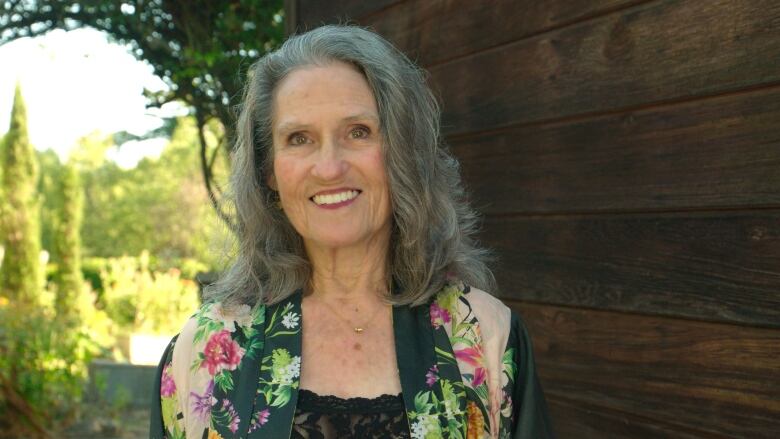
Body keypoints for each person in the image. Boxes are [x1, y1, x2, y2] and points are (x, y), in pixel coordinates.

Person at [150, 24, 553, 439]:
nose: (329, 168)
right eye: (299, 138)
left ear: (403, 152)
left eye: (358, 132)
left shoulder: (485, 337)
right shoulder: (203, 351)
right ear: (269, 170)